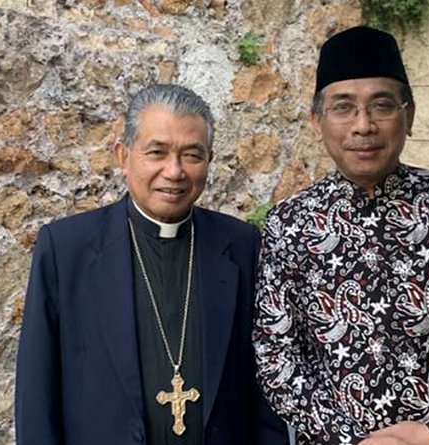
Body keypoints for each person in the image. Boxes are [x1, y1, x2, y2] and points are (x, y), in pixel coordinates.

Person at [253, 26, 429, 445]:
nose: (363, 126)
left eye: (381, 105)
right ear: (317, 121)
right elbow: (277, 354)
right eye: (343, 107)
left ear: (409, 115)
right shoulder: (289, 224)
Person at [16, 84, 289, 445]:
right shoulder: (66, 250)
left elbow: (264, 389)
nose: (174, 171)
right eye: (156, 152)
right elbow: (37, 396)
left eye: (191, 155)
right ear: (123, 155)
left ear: (209, 158)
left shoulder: (241, 245)